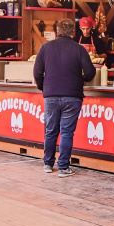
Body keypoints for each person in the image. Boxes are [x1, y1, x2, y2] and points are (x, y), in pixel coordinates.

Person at [33, 18, 96, 178]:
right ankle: (63, 168)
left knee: (50, 131)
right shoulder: (79, 49)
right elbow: (90, 72)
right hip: (72, 95)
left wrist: (44, 87)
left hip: (51, 96)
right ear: (73, 32)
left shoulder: (45, 47)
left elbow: (37, 73)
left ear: (57, 31)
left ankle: (48, 164)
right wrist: (79, 78)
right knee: (67, 132)